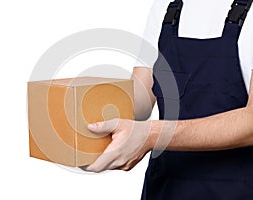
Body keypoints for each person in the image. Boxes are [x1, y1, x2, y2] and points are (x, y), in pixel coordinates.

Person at [84, 0, 253, 199]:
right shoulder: (166, 6)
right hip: (166, 189)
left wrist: (152, 135)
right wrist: (80, 114)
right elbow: (139, 99)